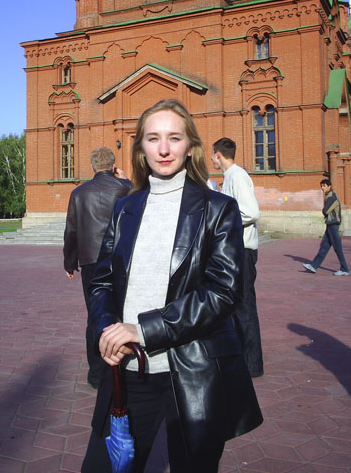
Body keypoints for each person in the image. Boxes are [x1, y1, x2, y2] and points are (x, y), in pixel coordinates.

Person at [82, 100, 262, 473]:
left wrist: (142, 329)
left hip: (195, 370)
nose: (164, 149)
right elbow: (101, 282)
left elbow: (224, 291)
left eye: (174, 138)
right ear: (141, 149)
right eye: (153, 138)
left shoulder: (218, 208)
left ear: (190, 146)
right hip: (130, 369)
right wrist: (108, 331)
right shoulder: (125, 209)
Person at [64, 147, 132, 388]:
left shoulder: (78, 193)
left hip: (91, 260)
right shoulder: (126, 188)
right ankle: (124, 369)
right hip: (121, 259)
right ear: (113, 166)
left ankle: (97, 374)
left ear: (92, 166)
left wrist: (69, 262)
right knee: (123, 312)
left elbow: (71, 230)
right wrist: (127, 181)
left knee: (95, 314)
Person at [211, 138, 263, 378]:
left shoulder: (237, 175)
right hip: (238, 249)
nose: (211, 159)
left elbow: (251, 212)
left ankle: (252, 364)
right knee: (238, 305)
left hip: (244, 250)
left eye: (212, 155)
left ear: (219, 154)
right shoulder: (230, 176)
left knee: (244, 306)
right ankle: (244, 357)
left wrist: (225, 220)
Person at [302, 179, 350, 276]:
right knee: (324, 247)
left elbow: (325, 210)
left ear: (329, 186)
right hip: (330, 225)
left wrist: (324, 210)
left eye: (324, 186)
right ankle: (314, 266)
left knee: (337, 248)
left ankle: (344, 269)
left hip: (333, 225)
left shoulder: (332, 197)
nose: (322, 188)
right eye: (321, 186)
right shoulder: (328, 196)